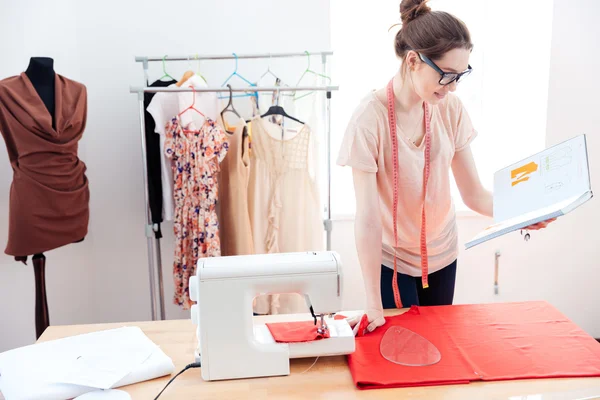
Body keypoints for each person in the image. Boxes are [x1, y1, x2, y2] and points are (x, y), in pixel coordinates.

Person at [336, 0, 554, 335]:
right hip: (392, 261)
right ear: (413, 60)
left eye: (460, 76)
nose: (452, 87)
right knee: (400, 353)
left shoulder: (449, 109)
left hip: (442, 255)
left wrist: (525, 212)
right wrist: (371, 303)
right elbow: (367, 219)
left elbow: (475, 195)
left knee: (438, 347)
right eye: (446, 76)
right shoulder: (369, 120)